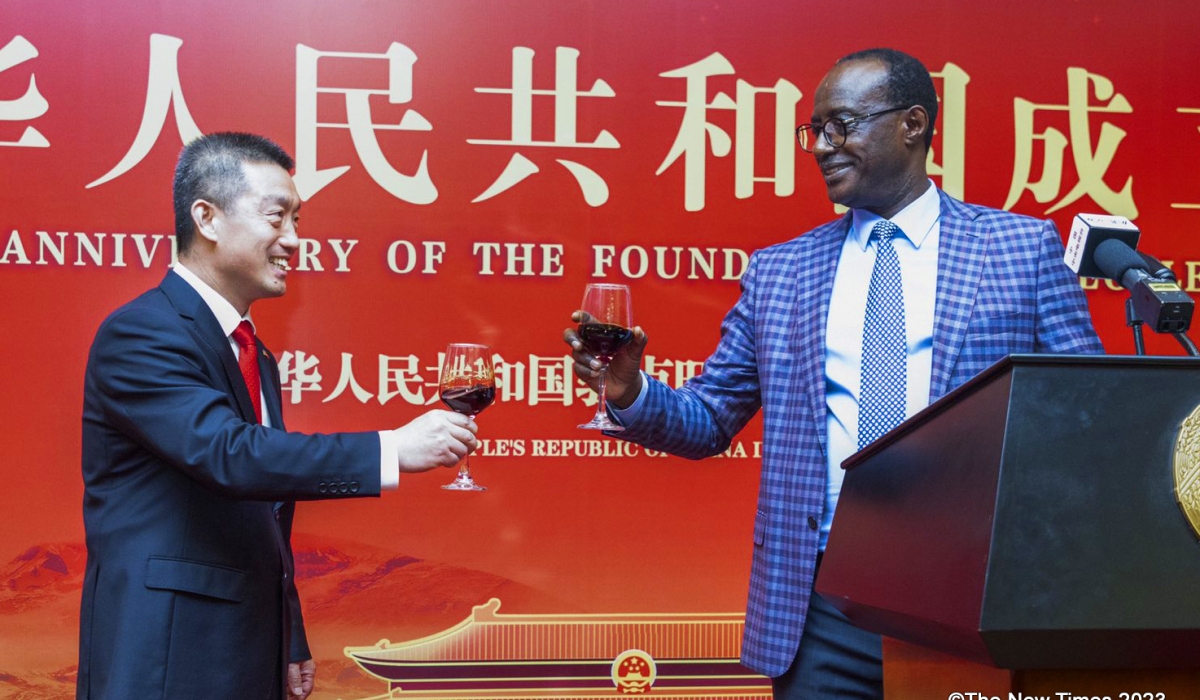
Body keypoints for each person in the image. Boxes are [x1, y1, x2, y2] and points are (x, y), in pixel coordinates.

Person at [564, 48, 1103, 699]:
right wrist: (629, 393)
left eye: (841, 125)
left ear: (912, 124)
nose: (821, 146)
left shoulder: (1020, 249)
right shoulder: (781, 272)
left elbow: (1084, 416)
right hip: (822, 608)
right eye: (814, 130)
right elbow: (709, 419)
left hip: (977, 600)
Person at [78, 132, 478, 700]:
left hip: (244, 647)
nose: (292, 240)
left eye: (297, 219)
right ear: (207, 219)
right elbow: (230, 456)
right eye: (276, 217)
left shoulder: (251, 351)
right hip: (166, 652)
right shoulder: (142, 332)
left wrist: (287, 635)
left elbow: (265, 503)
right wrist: (391, 449)